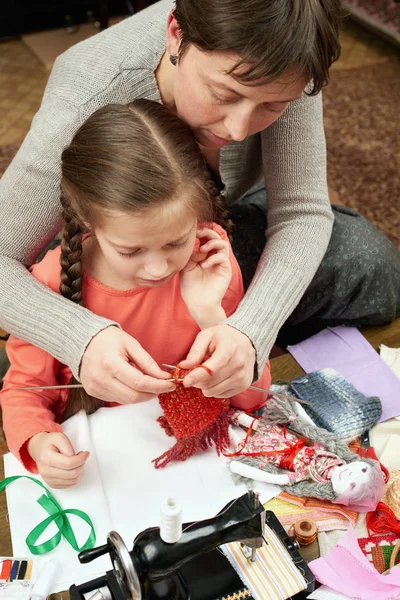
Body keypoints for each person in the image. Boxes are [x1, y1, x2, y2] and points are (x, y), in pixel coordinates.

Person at [0, 0, 399, 405]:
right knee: (24, 374)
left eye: (272, 106)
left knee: (374, 269)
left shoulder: (292, 55)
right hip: (111, 251)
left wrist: (249, 331)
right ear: (176, 34)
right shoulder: (88, 90)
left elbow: (302, 211)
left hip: (209, 244)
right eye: (225, 94)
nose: (239, 130)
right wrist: (79, 337)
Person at [0, 99, 272, 489]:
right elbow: (24, 391)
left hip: (192, 466)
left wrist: (212, 315)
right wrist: (39, 441)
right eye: (131, 251)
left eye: (175, 242)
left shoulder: (209, 260)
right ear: (88, 221)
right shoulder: (48, 283)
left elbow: (253, 397)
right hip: (104, 470)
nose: (159, 268)